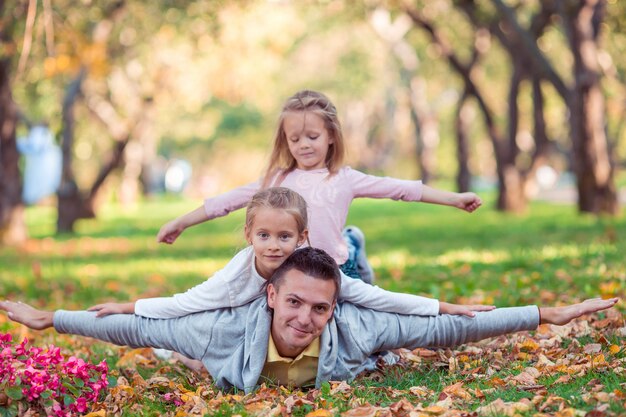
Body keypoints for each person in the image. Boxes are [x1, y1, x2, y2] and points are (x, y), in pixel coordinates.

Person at [0, 248, 618, 392]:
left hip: (366, 323)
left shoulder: (353, 322)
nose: (305, 316)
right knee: (180, 353)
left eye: (319, 307)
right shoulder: (218, 327)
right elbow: (134, 328)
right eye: (294, 301)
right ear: (270, 294)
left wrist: (548, 315)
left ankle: (352, 248)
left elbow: (447, 329)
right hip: (216, 351)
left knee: (387, 320)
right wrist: (50, 321)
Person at [86, 187, 490, 369]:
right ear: (249, 236)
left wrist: (443, 306)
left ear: (302, 237)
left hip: (314, 300)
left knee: (354, 299)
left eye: (285, 236)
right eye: (264, 236)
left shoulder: (307, 266)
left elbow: (376, 298)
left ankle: (353, 246)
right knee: (197, 348)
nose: (275, 246)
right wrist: (128, 306)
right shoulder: (235, 276)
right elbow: (184, 303)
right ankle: (167, 353)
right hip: (248, 320)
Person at [156, 90, 482, 281]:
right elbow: (225, 202)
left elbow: (400, 189)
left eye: (312, 137)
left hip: (338, 268)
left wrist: (454, 199)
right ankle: (353, 239)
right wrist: (180, 222)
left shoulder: (345, 178)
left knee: (361, 315)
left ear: (330, 136)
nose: (303, 145)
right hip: (292, 270)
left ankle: (353, 245)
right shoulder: (277, 181)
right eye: (294, 138)